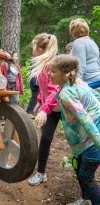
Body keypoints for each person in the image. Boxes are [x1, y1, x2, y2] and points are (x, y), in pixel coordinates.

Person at [50, 54, 100, 205]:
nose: (49, 74)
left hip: (93, 140)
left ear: (65, 74)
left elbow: (84, 118)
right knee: (79, 167)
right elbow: (95, 96)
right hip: (87, 139)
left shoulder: (67, 93)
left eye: (53, 71)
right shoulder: (78, 83)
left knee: (86, 176)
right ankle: (86, 200)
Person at [27, 33, 61, 186]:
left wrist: (44, 109)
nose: (32, 50)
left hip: (64, 108)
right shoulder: (42, 64)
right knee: (46, 138)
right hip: (51, 108)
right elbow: (44, 88)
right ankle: (41, 173)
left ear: (40, 48)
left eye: (34, 47)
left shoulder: (51, 66)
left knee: (77, 141)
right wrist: (39, 102)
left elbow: (55, 90)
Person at [70, 18, 100, 88]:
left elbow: (80, 64)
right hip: (97, 79)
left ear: (73, 31)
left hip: (89, 81)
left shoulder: (79, 42)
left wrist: (76, 83)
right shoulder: (92, 42)